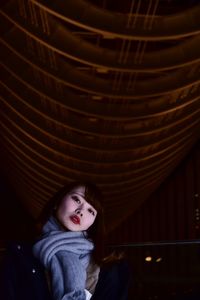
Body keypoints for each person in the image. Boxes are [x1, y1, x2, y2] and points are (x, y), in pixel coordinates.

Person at [0, 182, 131, 300]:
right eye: (76, 199)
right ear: (57, 203)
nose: (80, 211)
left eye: (90, 210)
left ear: (93, 224)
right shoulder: (20, 254)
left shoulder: (107, 269)